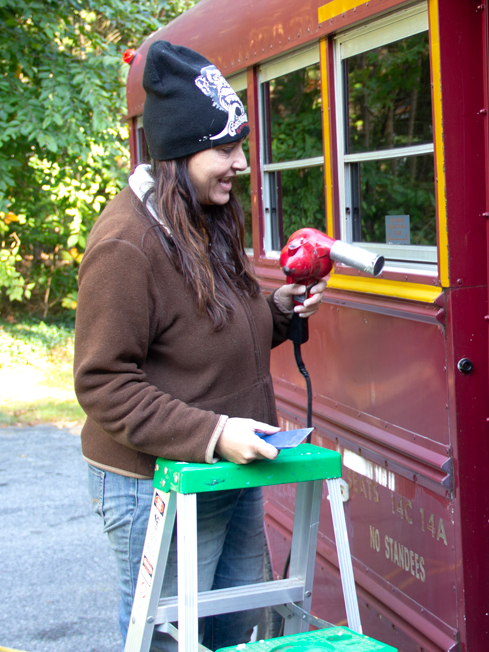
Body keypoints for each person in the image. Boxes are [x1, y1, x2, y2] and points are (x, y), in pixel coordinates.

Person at [74, 39, 324, 651]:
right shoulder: (126, 245)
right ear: (181, 152)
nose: (240, 163)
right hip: (155, 478)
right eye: (226, 148)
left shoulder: (202, 217)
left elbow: (206, 335)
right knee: (174, 641)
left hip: (224, 465)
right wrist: (214, 435)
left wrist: (277, 314)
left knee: (233, 634)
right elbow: (103, 383)